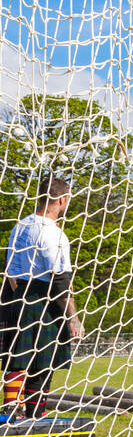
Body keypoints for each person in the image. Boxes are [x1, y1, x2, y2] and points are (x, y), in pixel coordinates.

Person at [2, 176, 86, 418]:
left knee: (18, 357)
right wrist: (73, 317)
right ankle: (34, 415)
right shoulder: (55, 234)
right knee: (42, 362)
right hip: (44, 300)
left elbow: (10, 271)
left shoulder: (19, 227)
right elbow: (60, 281)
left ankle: (12, 410)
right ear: (62, 199)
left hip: (17, 297)